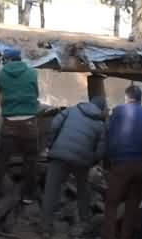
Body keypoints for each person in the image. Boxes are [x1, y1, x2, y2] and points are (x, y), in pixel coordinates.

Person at [40, 96, 107, 238]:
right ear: (101, 109)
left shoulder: (72, 110)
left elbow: (54, 125)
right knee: (83, 191)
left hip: (59, 155)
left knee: (51, 190)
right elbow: (101, 150)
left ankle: (46, 228)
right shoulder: (101, 124)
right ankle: (85, 222)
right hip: (82, 161)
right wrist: (91, 161)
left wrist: (51, 144)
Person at [0, 48, 40, 204]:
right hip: (30, 123)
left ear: (6, 60)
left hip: (9, 123)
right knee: (30, 160)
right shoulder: (32, 73)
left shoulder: (0, 75)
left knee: (1, 159)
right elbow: (36, 93)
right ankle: (28, 195)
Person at [104, 85, 142, 239]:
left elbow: (109, 135)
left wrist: (108, 160)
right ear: (140, 99)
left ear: (126, 97)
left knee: (112, 202)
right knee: (132, 205)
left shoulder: (118, 111)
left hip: (121, 163)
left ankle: (109, 235)